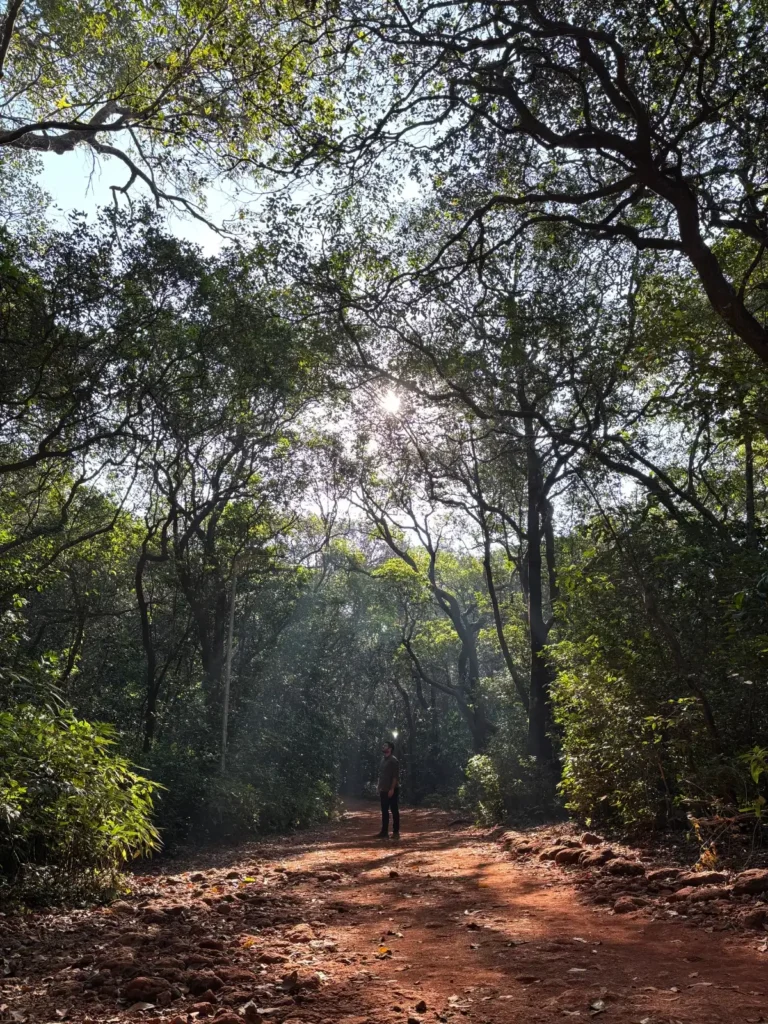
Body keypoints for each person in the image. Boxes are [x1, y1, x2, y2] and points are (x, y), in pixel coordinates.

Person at [377, 740, 400, 839]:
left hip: (392, 790)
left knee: (394, 810)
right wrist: (378, 786)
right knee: (384, 811)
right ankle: (384, 831)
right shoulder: (382, 760)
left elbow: (395, 777)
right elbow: (381, 774)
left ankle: (395, 832)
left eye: (385, 745)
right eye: (383, 745)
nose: (383, 746)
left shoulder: (393, 760)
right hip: (383, 789)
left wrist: (392, 789)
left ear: (390, 749)